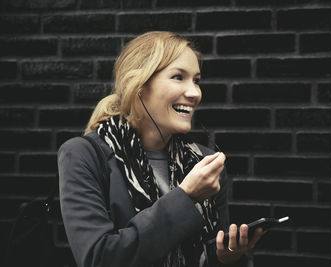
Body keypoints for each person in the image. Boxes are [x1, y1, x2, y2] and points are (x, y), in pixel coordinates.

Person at [58, 31, 265, 267]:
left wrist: (226, 256)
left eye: (196, 80)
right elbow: (99, 258)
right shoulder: (84, 155)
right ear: (138, 85)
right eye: (178, 77)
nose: (195, 93)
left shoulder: (203, 163)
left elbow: (206, 253)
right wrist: (186, 196)